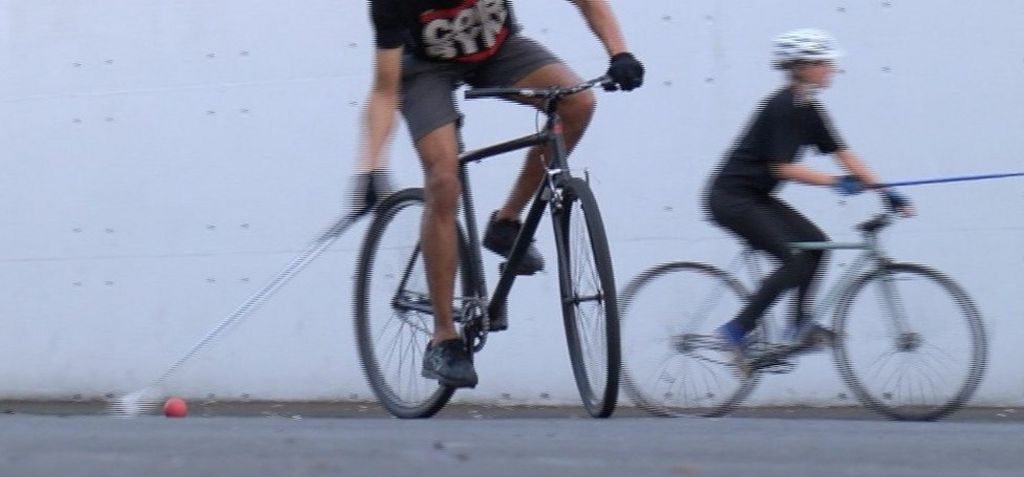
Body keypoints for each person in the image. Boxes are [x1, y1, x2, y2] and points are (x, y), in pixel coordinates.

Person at [351, 0, 645, 388]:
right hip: (424, 70)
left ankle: (506, 222)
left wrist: (619, 52)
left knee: (578, 103)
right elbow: (385, 91)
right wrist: (371, 167)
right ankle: (444, 338)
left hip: (497, 50)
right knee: (444, 177)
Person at [704, 28, 913, 373]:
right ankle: (736, 330)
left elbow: (844, 154)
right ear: (801, 66)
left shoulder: (809, 107)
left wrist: (885, 191)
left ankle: (798, 325)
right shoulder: (783, 105)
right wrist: (836, 183)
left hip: (755, 196)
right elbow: (782, 167)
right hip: (731, 199)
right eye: (823, 63)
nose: (831, 69)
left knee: (817, 246)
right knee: (794, 258)